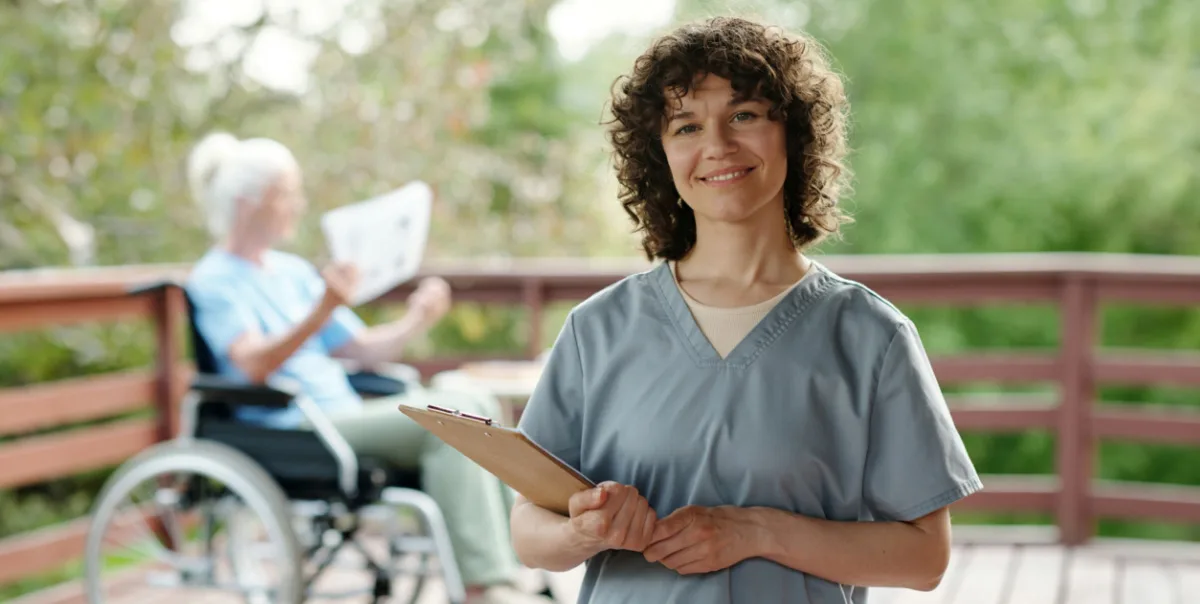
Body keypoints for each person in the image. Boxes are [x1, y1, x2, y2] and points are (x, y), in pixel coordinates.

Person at [509, 16, 983, 604]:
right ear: (660, 154)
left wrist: (757, 532)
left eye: (745, 115)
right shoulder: (597, 330)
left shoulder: (870, 336)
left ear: (793, 133)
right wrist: (583, 532)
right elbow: (528, 529)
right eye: (686, 126)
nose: (717, 146)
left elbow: (925, 559)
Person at [183, 132, 551, 604]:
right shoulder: (214, 279)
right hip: (297, 426)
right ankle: (484, 588)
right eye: (286, 194)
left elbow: (361, 350)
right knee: (450, 424)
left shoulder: (292, 272)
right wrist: (321, 310)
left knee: (476, 401)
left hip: (343, 413)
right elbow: (252, 365)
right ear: (247, 202)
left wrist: (417, 318)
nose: (298, 205)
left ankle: (511, 572)